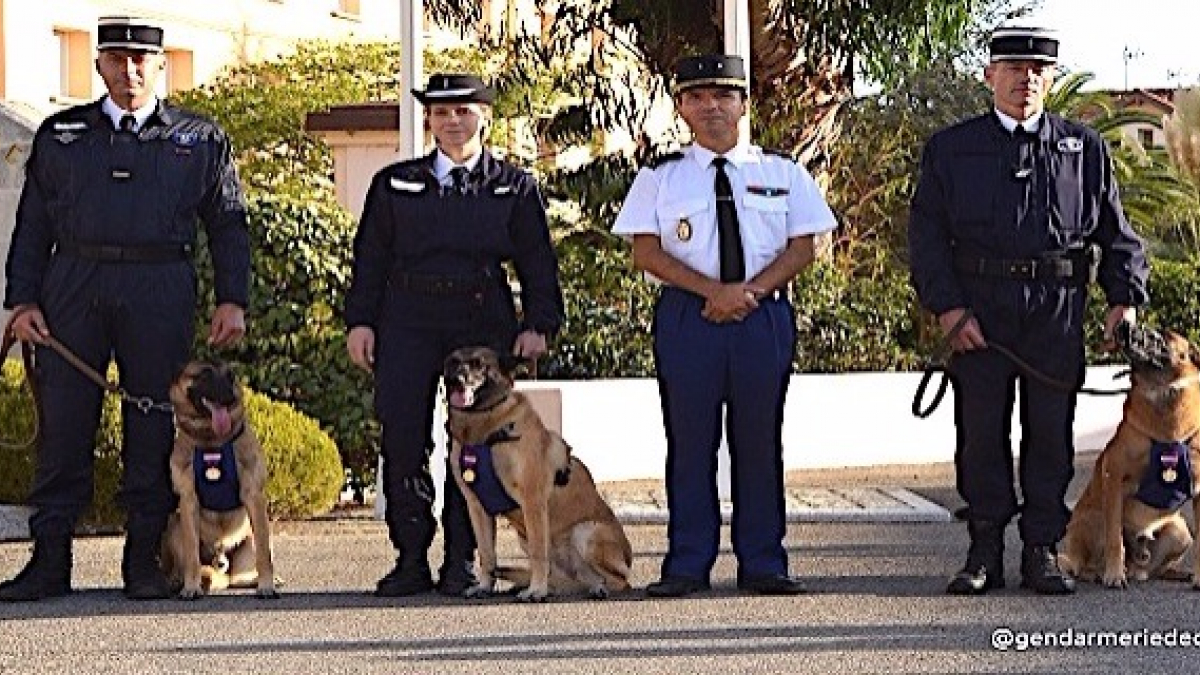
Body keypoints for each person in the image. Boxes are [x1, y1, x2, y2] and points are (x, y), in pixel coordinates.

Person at [0, 16, 251, 601]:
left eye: (141, 61)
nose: (129, 71)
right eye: (116, 59)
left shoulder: (200, 138)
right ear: (99, 65)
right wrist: (21, 301)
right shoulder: (61, 135)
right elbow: (32, 225)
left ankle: (144, 561)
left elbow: (229, 226)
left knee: (153, 425)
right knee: (63, 424)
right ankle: (48, 561)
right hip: (73, 284)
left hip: (160, 284)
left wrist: (233, 299)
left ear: (160, 66)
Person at [908, 26, 1149, 596]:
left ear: (1052, 78)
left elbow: (1116, 232)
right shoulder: (951, 148)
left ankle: (1042, 549)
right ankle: (984, 551)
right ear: (990, 75)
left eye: (1039, 70)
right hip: (980, 315)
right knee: (982, 433)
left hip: (1056, 313)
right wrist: (948, 310)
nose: (1027, 79)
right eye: (1014, 67)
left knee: (1051, 435)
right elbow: (926, 237)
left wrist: (1124, 299)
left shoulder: (1082, 148)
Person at [612, 55, 837, 597]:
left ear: (743, 104)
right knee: (689, 441)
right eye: (697, 96)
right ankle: (688, 563)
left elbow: (804, 245)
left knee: (759, 439)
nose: (711, 106)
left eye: (723, 96)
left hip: (763, 314)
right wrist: (712, 292)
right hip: (690, 315)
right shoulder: (660, 177)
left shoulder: (781, 172)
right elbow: (645, 251)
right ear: (682, 107)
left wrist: (748, 293)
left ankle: (763, 561)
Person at [345, 73, 564, 597]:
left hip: (480, 318)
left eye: (464, 110)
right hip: (408, 316)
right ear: (429, 121)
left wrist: (538, 324)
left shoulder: (513, 185)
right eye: (442, 112)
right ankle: (411, 555)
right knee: (403, 435)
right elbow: (369, 258)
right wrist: (361, 321)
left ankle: (465, 558)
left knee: (477, 441)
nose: (453, 120)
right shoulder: (395, 183)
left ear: (484, 117)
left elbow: (538, 261)